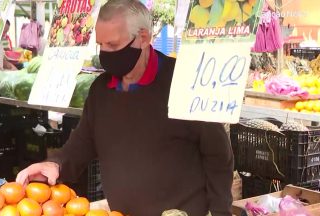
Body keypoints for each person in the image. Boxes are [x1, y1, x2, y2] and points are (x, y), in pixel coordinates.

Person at [16, 0, 234, 215]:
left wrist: (220, 211)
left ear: (144, 37)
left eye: (113, 45)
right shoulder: (101, 90)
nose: (105, 54)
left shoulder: (185, 82)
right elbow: (82, 145)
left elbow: (218, 154)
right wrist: (56, 165)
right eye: (100, 45)